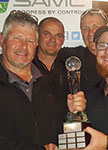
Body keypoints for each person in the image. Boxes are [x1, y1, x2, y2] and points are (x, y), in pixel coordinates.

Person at [0, 10, 88, 150]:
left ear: (36, 44)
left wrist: (75, 112)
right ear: (2, 39)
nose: (23, 46)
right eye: (16, 38)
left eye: (30, 41)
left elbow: (62, 129)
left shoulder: (49, 83)